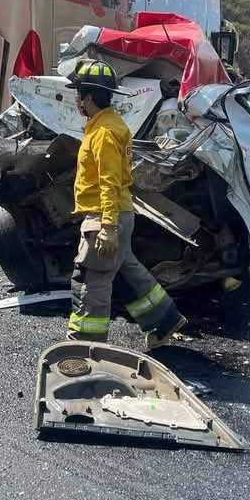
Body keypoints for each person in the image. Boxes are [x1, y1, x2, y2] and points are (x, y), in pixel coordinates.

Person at [66, 58, 188, 350]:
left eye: (78, 93)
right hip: (119, 214)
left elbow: (108, 182)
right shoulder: (106, 125)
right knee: (128, 270)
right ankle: (165, 320)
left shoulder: (104, 133)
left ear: (90, 97)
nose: (76, 100)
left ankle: (87, 347)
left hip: (106, 217)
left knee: (91, 281)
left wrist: (106, 227)